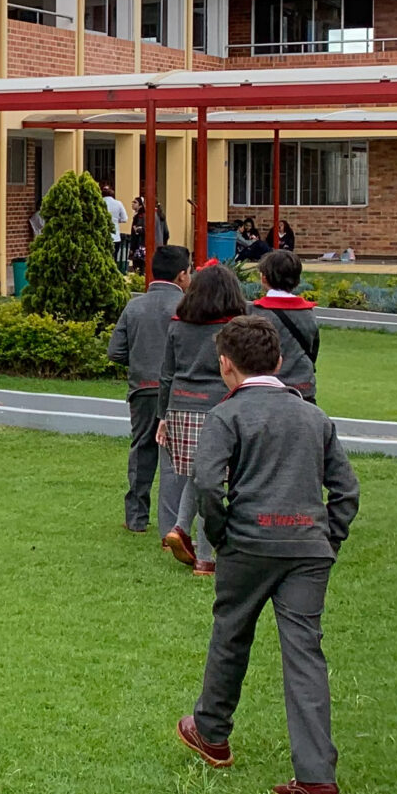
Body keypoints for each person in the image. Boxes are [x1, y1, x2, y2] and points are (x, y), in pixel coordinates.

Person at [176, 313, 361, 794]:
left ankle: (212, 732)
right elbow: (346, 491)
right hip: (307, 548)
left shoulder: (226, 416)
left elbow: (208, 484)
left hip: (248, 543)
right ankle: (317, 778)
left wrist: (220, 535)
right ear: (279, 361)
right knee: (305, 653)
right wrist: (328, 540)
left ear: (225, 365)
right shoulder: (314, 416)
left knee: (231, 634)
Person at [159, 259, 249, 573]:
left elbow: (167, 374)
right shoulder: (234, 329)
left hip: (180, 406)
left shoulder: (177, 324)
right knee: (212, 480)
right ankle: (207, 557)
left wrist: (162, 416)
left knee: (197, 476)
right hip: (219, 408)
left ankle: (180, 527)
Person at [108, 242, 191, 537]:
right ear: (182, 275)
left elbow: (115, 351)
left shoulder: (134, 306)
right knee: (177, 455)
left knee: (142, 450)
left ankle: (136, 518)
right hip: (179, 391)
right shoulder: (186, 308)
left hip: (142, 388)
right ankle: (177, 521)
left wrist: (140, 361)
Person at [250, 247, 320, 398]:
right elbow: (313, 350)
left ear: (264, 278)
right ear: (297, 280)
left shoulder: (255, 313)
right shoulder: (308, 313)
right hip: (303, 388)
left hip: (266, 390)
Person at [102, 184, 131, 268]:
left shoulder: (99, 202)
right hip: (115, 236)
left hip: (102, 236)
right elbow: (125, 219)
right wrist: (116, 220)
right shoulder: (118, 203)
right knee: (113, 259)